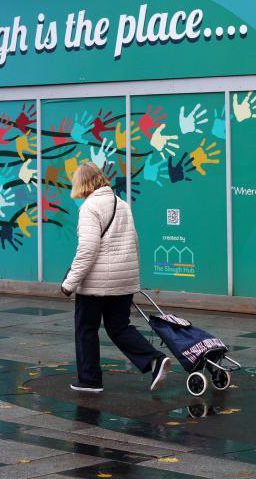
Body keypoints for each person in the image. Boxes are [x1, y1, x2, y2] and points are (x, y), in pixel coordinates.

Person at [60, 162, 172, 393]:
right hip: (123, 281)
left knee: (86, 328)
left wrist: (69, 283)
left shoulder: (89, 207)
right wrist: (131, 279)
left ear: (82, 183)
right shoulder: (121, 204)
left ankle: (90, 380)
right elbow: (134, 242)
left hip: (96, 284)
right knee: (119, 327)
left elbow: (88, 249)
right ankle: (155, 359)